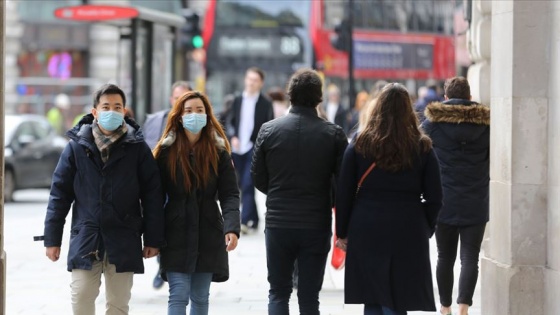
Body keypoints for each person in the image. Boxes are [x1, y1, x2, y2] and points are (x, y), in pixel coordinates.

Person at [43, 83, 165, 315]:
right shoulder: (76, 148)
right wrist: (52, 238)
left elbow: (152, 195)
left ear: (124, 111)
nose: (112, 111)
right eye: (106, 106)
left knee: (118, 305)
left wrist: (153, 239)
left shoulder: (137, 149)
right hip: (87, 236)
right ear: (95, 112)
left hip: (124, 236)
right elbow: (59, 194)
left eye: (117, 106)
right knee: (80, 297)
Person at [335, 83, 443, 315]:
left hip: (367, 223)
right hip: (408, 224)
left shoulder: (360, 143)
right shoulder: (422, 146)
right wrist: (425, 225)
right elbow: (435, 197)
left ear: (378, 108)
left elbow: (343, 193)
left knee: (372, 296)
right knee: (399, 294)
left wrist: (342, 232)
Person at [251, 68, 348, 315]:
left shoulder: (268, 130)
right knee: (309, 297)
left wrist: (277, 192)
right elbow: (344, 183)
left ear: (289, 96)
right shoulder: (333, 134)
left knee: (278, 292)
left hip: (279, 222)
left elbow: (258, 178)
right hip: (316, 222)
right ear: (319, 98)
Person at [152, 91, 240, 315]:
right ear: (179, 116)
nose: (194, 115)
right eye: (188, 111)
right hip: (175, 231)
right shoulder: (166, 152)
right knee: (178, 294)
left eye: (199, 110)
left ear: (208, 116)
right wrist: (151, 235)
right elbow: (154, 196)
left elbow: (230, 193)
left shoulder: (218, 151)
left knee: (200, 297)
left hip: (208, 230)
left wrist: (232, 227)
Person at [421, 76, 490, 315]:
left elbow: (422, 160)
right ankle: (463, 307)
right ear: (470, 98)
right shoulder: (486, 124)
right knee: (470, 257)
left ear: (446, 98)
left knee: (444, 256)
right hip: (476, 199)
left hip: (444, 200)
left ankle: (445, 306)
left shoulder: (432, 125)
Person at [225, 67, 274, 234]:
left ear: (261, 83)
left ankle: (245, 221)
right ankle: (254, 218)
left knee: (248, 183)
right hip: (237, 148)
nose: (251, 83)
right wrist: (233, 137)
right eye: (249, 79)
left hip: (253, 148)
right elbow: (230, 121)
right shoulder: (238, 100)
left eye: (255, 80)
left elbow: (268, 126)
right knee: (240, 185)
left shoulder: (265, 104)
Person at [144, 81, 192, 149]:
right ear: (171, 100)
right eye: (177, 98)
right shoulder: (154, 121)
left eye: (184, 98)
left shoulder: (195, 121)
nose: (180, 102)